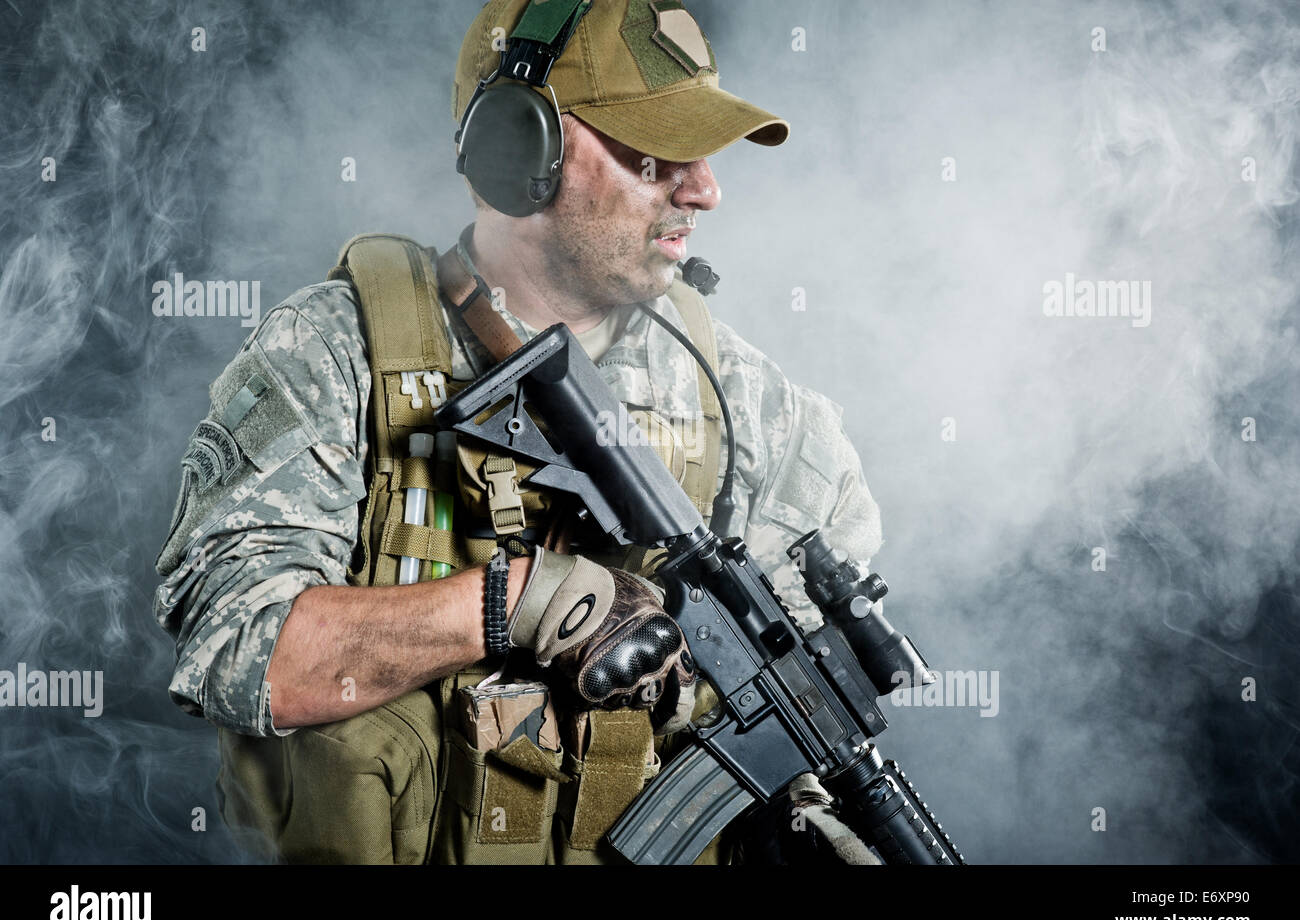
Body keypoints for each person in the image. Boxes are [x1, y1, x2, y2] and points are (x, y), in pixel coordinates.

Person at [153, 0, 883, 864]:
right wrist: (510, 602)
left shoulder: (756, 414)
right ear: (518, 152)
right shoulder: (335, 355)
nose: (704, 189)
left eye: (704, 154)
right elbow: (239, 649)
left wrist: (801, 814)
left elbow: (799, 702)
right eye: (654, 151)